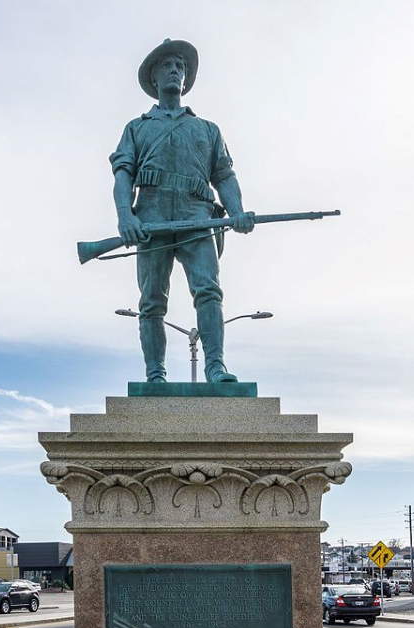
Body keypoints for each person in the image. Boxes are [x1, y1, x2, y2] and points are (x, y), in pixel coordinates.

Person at [109, 39, 255, 383]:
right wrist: (125, 216)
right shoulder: (137, 127)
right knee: (151, 302)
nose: (176, 71)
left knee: (208, 291)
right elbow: (123, 175)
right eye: (168, 66)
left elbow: (224, 175)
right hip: (152, 221)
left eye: (180, 67)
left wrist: (238, 212)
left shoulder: (207, 129)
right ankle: (155, 374)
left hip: (197, 217)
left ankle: (215, 367)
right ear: (155, 78)